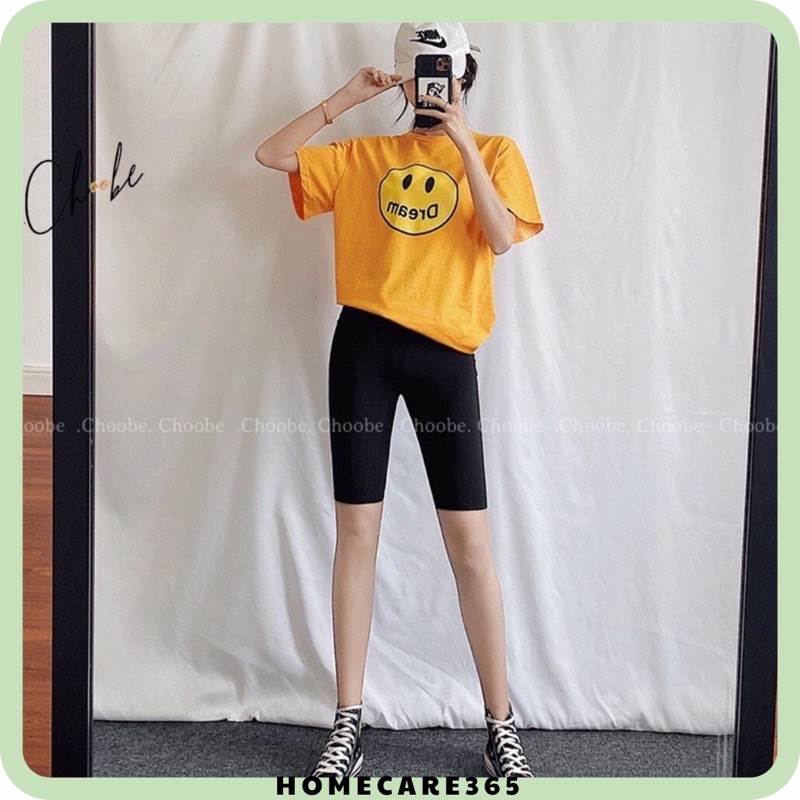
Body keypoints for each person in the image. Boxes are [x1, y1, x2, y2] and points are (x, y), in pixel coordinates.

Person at [254, 22, 544, 779]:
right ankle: (347, 720)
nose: (434, 83)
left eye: (445, 69)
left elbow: (500, 237)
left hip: (447, 356)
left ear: (465, 75)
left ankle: (500, 722)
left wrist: (464, 144)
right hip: (365, 351)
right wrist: (344, 100)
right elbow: (272, 154)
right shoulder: (364, 156)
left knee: (470, 543)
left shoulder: (497, 153)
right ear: (404, 78)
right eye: (420, 71)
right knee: (356, 532)